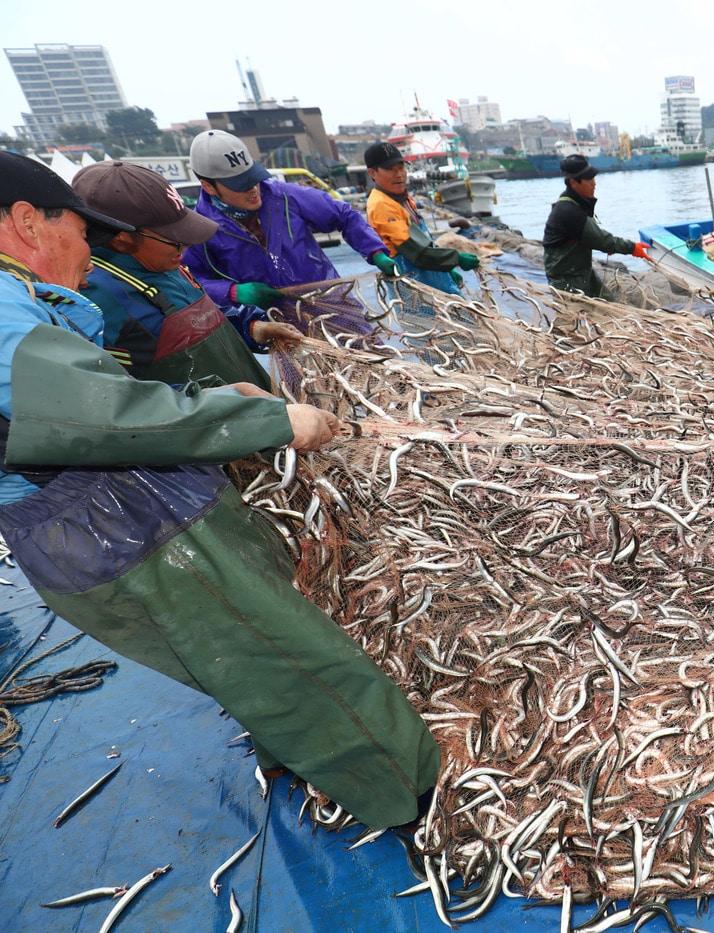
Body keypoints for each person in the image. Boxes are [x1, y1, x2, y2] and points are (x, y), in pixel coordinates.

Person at [0, 152, 439, 829]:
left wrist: (214, 384)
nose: (84, 246)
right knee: (292, 658)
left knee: (252, 650)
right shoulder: (7, 314)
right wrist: (268, 417)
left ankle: (314, 761)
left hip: (125, 508)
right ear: (29, 221)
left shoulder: (29, 298)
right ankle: (412, 800)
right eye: (78, 230)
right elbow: (103, 415)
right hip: (118, 528)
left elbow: (102, 402)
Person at [72, 160, 301, 391]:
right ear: (122, 239)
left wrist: (251, 327)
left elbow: (198, 321)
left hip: (257, 415)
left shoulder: (163, 265)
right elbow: (121, 397)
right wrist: (227, 400)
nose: (185, 248)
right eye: (174, 240)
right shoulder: (95, 302)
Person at [182, 130, 399, 311]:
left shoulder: (284, 197)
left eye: (253, 178)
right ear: (209, 186)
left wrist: (375, 252)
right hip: (280, 325)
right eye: (240, 184)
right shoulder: (199, 229)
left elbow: (344, 215)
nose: (253, 189)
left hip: (333, 305)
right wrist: (231, 292)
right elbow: (188, 280)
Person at [363, 141, 479, 294]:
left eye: (401, 167)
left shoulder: (403, 199)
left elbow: (424, 241)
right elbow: (416, 252)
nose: (398, 174)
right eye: (390, 169)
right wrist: (456, 259)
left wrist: (446, 270)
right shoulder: (381, 205)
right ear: (372, 173)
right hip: (413, 284)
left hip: (431, 273)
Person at [542, 154, 648, 297]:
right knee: (580, 315)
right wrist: (632, 247)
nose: (594, 183)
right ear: (573, 183)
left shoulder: (573, 203)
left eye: (593, 178)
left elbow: (591, 236)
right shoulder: (569, 211)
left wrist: (607, 245)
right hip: (567, 280)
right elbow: (601, 240)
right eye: (588, 179)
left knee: (608, 302)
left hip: (580, 271)